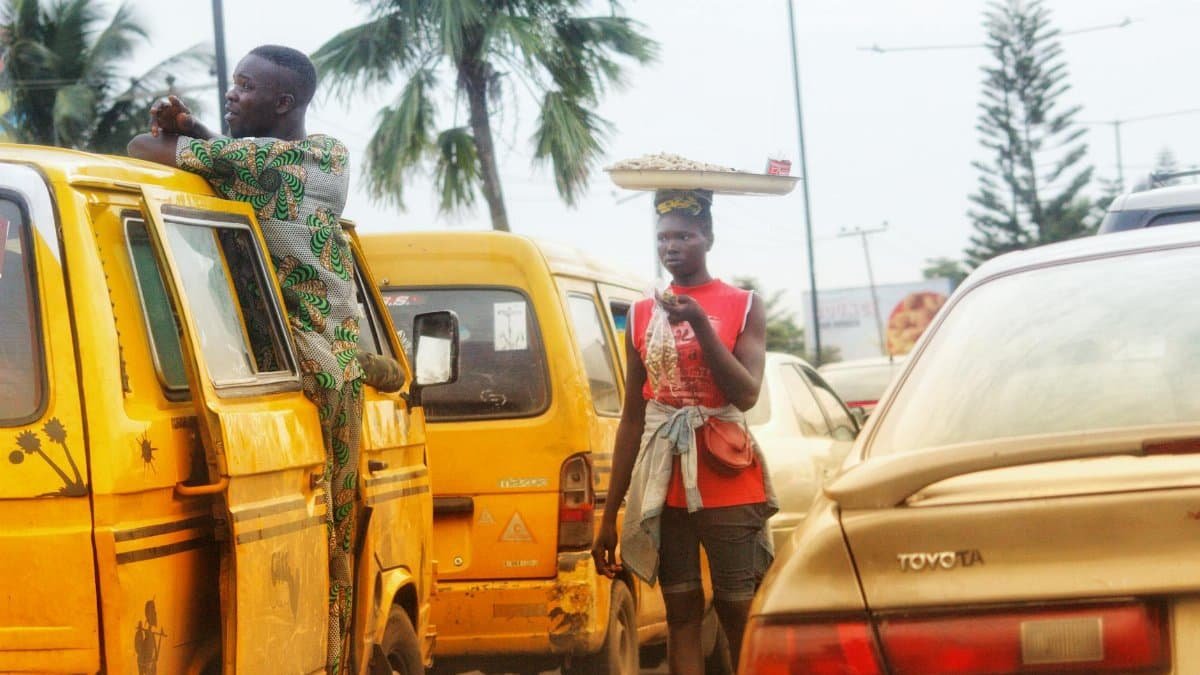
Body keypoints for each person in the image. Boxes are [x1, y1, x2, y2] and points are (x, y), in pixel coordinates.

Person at [127, 45, 388, 674]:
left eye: (245, 87)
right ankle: (331, 655)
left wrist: (175, 135)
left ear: (284, 101)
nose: (232, 94)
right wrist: (195, 131)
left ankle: (325, 657)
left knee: (325, 527)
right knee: (335, 528)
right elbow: (243, 163)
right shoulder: (325, 156)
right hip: (340, 356)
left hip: (314, 362)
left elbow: (142, 149)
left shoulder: (261, 163)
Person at [591, 188, 776, 673]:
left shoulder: (743, 304)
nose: (671, 247)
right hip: (664, 482)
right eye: (664, 237)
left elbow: (746, 393)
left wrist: (699, 323)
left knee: (740, 611)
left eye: (684, 236)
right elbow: (634, 417)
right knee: (681, 613)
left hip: (729, 477)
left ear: (708, 238)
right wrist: (610, 515)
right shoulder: (641, 312)